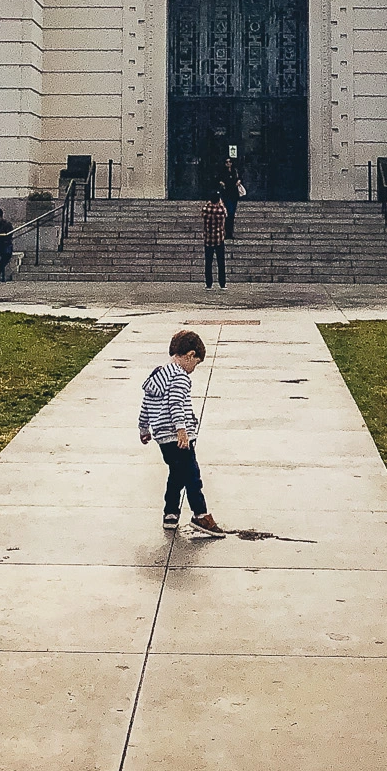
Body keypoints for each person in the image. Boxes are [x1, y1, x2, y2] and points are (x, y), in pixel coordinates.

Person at [139, 330, 223, 535]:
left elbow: (146, 404)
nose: (193, 369)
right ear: (190, 355)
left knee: (176, 474)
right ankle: (200, 515)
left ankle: (170, 513)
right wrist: (182, 432)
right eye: (196, 363)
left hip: (162, 438)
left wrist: (143, 427)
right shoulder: (180, 377)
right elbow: (176, 404)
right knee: (192, 476)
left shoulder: (158, 375)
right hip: (179, 438)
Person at [201, 190, 227, 291]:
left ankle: (208, 284)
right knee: (221, 262)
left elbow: (203, 214)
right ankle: (222, 283)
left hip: (208, 239)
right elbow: (225, 214)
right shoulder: (221, 209)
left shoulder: (206, 209)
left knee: (208, 262)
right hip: (219, 238)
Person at [219, 159, 242, 240]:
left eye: (229, 162)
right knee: (229, 212)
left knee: (231, 214)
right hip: (226, 194)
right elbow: (219, 179)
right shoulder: (222, 172)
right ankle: (226, 232)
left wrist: (239, 181)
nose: (228, 164)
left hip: (234, 194)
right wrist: (221, 183)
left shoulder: (235, 171)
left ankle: (230, 232)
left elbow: (239, 178)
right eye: (226, 162)